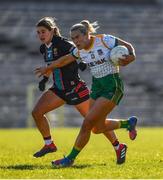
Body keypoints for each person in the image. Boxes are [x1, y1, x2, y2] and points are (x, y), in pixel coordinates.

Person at [32, 17, 130, 164]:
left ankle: (118, 146)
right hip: (59, 89)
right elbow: (53, 66)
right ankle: (49, 144)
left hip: (76, 88)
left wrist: (83, 63)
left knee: (95, 124)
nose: (41, 35)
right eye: (38, 32)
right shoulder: (44, 48)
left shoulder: (64, 43)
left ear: (52, 30)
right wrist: (45, 79)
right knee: (37, 112)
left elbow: (79, 53)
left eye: (43, 31)